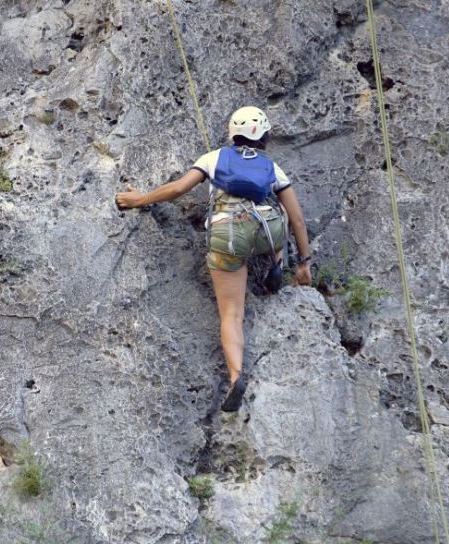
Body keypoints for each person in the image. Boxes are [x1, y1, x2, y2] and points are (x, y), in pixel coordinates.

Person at [115, 106, 313, 412]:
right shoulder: (273, 169)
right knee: (281, 212)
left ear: (232, 132)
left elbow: (178, 188)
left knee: (231, 314)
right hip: (266, 234)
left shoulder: (215, 158)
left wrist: (138, 199)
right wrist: (304, 263)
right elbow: (298, 220)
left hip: (228, 236)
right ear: (265, 136)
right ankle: (278, 262)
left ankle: (236, 377)